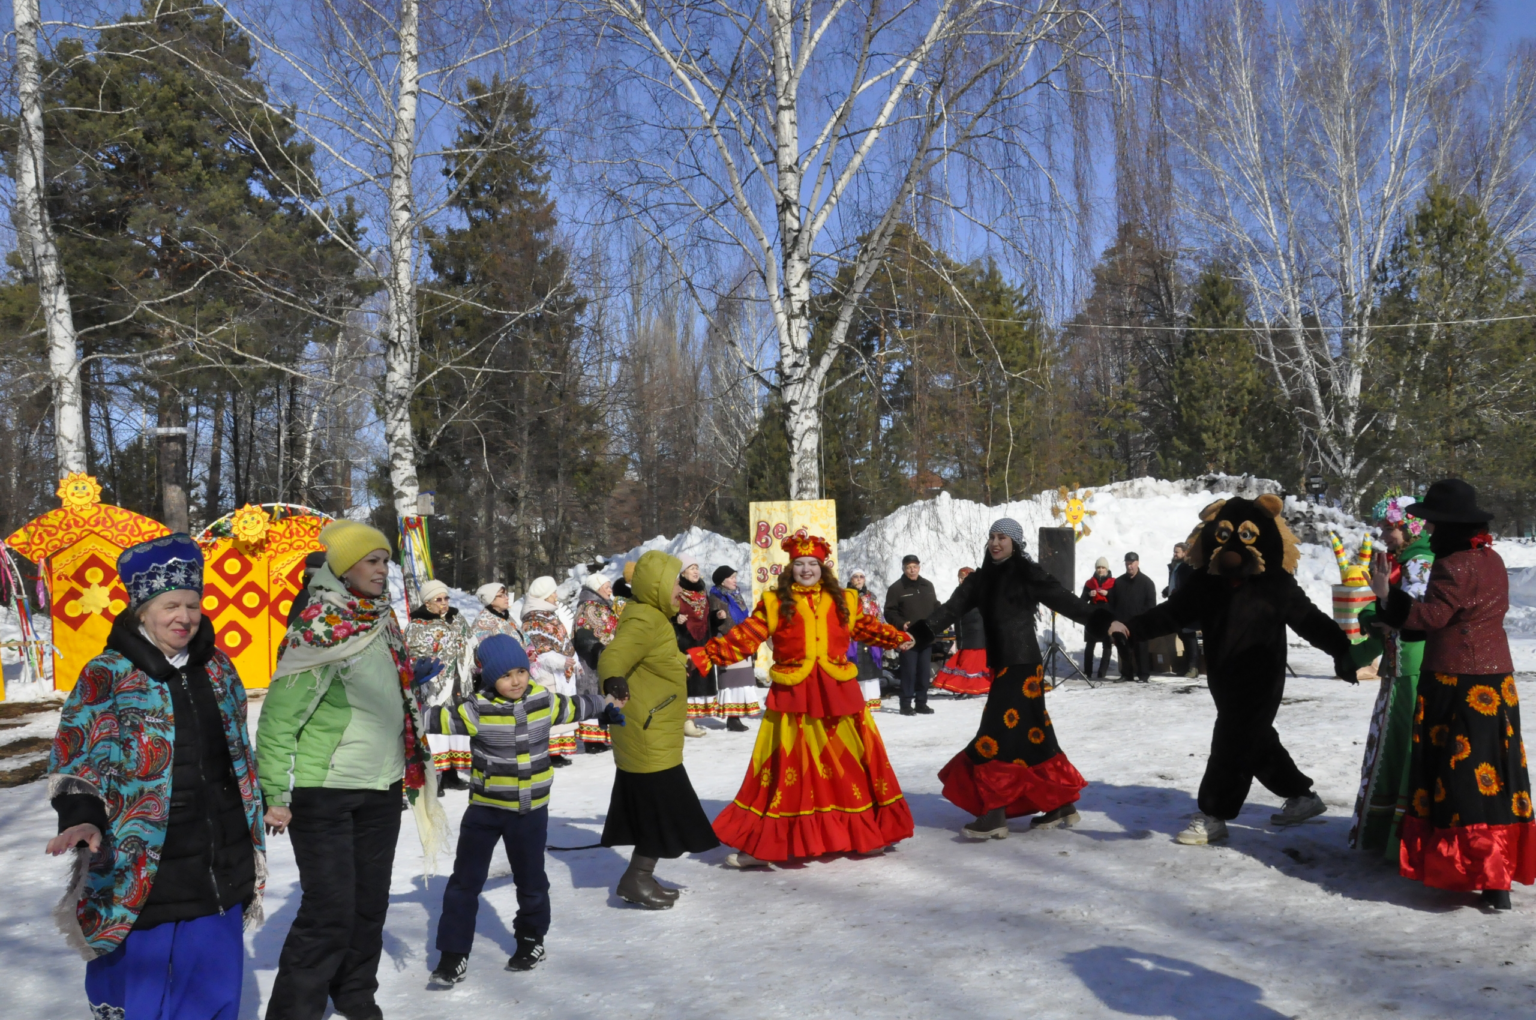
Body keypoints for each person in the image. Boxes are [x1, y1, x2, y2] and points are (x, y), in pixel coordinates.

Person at [47, 533, 266, 1020]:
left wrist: (262, 801)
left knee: (213, 989)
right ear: (142, 611)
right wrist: (81, 816)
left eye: (193, 604)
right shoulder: (107, 673)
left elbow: (238, 754)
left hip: (220, 860)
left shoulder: (219, 668)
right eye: (171, 606)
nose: (184, 617)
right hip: (143, 866)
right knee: (144, 992)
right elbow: (77, 756)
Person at [257, 520, 448, 1020]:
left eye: (386, 561)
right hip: (325, 790)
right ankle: (294, 1012)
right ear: (344, 567)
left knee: (369, 904)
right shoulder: (319, 626)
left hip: (381, 785)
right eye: (372, 561)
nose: (382, 570)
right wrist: (275, 792)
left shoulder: (381, 618)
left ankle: (356, 994)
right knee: (329, 911)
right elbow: (279, 718)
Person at [1109, 495, 1357, 847]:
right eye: (1225, 536)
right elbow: (1171, 613)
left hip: (1262, 676)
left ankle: (1215, 813)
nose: (1234, 548)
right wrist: (1131, 628)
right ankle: (1302, 796)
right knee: (1255, 740)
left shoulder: (1275, 583)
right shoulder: (1206, 582)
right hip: (1223, 678)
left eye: (1246, 536)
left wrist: (1343, 651)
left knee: (1231, 740)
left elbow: (1310, 620)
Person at [689, 533, 916, 868]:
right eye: (800, 564)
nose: (806, 569)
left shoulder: (845, 599)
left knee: (849, 762)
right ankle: (765, 844)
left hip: (838, 693)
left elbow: (866, 627)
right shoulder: (774, 602)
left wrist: (896, 638)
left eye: (812, 563)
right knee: (786, 768)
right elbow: (746, 635)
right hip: (793, 695)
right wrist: (705, 655)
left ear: (823, 567)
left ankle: (864, 834)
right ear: (790, 567)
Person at [1366, 479, 1535, 910]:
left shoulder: (1453, 565)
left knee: (1459, 778)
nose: (1428, 530)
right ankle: (1498, 876)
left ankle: (1478, 871)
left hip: (1455, 683)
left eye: (1433, 523)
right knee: (1494, 773)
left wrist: (1386, 596)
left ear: (1448, 526)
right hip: (1496, 682)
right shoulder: (1493, 559)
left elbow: (1431, 618)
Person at [428, 636, 625, 983]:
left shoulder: (542, 700)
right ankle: (453, 954)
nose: (516, 681)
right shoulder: (476, 709)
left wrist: (606, 704)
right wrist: (404, 693)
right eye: (505, 675)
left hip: (530, 811)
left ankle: (532, 939)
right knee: (464, 883)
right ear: (490, 677)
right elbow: (428, 719)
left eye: (521, 671)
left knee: (531, 881)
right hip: (485, 810)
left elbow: (577, 705)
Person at [910, 519, 1112, 840]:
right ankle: (1060, 804)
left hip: (1023, 666)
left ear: (1015, 543)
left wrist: (1103, 621)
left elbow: (1064, 599)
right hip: (1004, 664)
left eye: (1002, 537)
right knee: (1034, 736)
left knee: (995, 735)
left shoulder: (1026, 573)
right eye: (992, 536)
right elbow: (950, 609)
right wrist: (918, 633)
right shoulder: (980, 579)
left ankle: (995, 813)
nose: (995, 542)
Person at [597, 550, 721, 908]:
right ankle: (636, 878)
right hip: (647, 730)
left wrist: (683, 661)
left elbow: (655, 655)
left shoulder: (652, 616)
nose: (680, 590)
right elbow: (614, 655)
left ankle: (639, 876)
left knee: (656, 807)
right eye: (674, 584)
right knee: (662, 807)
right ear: (657, 586)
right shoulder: (645, 619)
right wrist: (613, 679)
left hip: (652, 726)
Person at [1346, 494, 1433, 858]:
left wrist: (1381, 613)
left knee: (1401, 738)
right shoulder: (1407, 559)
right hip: (1401, 660)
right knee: (1393, 738)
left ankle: (1402, 836)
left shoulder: (1420, 560)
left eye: (1388, 528)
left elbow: (1411, 613)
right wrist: (1376, 612)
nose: (1383, 535)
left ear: (1409, 527)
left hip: (1412, 663)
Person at [407, 578, 476, 786]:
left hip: (458, 682)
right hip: (434, 685)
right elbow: (412, 656)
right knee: (435, 727)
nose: (444, 603)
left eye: (446, 598)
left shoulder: (457, 619)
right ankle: (434, 777)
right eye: (439, 599)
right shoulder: (417, 625)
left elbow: (470, 642)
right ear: (427, 602)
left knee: (455, 725)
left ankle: (451, 773)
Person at [521, 576, 579, 765]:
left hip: (559, 672)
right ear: (544, 595)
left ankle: (557, 751)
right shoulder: (533, 618)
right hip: (546, 673)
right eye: (553, 592)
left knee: (559, 708)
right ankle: (549, 753)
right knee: (550, 709)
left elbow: (562, 641)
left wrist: (572, 660)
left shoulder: (547, 615)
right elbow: (540, 649)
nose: (556, 596)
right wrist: (561, 661)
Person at [884, 553, 938, 715]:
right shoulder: (896, 588)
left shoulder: (927, 586)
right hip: (907, 638)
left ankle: (921, 703)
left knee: (924, 673)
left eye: (915, 567)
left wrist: (939, 621)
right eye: (909, 567)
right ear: (903, 569)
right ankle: (906, 704)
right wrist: (901, 623)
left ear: (919, 567)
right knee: (908, 672)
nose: (912, 570)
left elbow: (935, 606)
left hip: (925, 636)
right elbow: (889, 612)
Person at [708, 565, 760, 731]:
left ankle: (737, 715)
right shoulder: (716, 596)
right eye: (731, 577)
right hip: (727, 640)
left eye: (735, 577)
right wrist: (717, 616)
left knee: (743, 679)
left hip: (741, 640)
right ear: (722, 581)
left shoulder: (736, 595)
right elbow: (711, 618)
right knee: (730, 681)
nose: (734, 580)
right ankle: (732, 718)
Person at [573, 573, 620, 753]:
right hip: (591, 662)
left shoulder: (604, 606)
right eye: (606, 587)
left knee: (603, 696)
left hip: (606, 659)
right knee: (592, 695)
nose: (610, 590)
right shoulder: (587, 607)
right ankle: (591, 741)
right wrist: (597, 648)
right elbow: (583, 635)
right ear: (596, 588)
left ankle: (601, 737)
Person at [932, 567, 992, 697]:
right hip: (963, 632)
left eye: (964, 578)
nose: (961, 580)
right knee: (965, 662)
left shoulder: (979, 591)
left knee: (969, 663)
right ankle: (965, 688)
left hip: (976, 632)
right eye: (959, 578)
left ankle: (968, 688)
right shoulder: (959, 591)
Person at [674, 557, 716, 735]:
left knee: (700, 679)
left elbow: (707, 616)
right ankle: (685, 722)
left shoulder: (702, 590)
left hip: (702, 641)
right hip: (684, 641)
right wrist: (676, 619)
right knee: (687, 681)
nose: (695, 571)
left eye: (697, 568)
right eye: (691, 568)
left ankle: (692, 720)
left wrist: (716, 616)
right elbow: (666, 612)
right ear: (683, 572)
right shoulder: (676, 590)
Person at [1109, 552, 1156, 681]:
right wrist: (1115, 619)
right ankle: (1126, 674)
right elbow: (1112, 602)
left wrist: (1142, 617)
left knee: (1141, 649)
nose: (1129, 566)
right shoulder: (1119, 581)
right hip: (1122, 623)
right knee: (1123, 648)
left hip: (1139, 622)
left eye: (1132, 563)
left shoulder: (1146, 582)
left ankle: (1143, 675)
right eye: (1127, 563)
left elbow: (1151, 604)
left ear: (1137, 563)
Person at [847, 569, 887, 710]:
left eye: (861, 576)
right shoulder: (844, 596)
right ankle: (857, 702)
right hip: (853, 639)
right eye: (855, 577)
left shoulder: (871, 597)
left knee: (871, 669)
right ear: (850, 579)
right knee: (855, 667)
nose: (859, 579)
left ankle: (872, 701)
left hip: (870, 637)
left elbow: (879, 615)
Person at [1164, 543, 1201, 679]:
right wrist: (1167, 590)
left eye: (1177, 552)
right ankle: (1186, 665)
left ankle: (1193, 667)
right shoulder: (1175, 567)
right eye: (1174, 552)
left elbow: (1190, 586)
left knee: (1189, 635)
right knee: (1182, 635)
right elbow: (1175, 583)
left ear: (1185, 553)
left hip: (1187, 606)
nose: (1174, 554)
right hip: (1176, 605)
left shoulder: (1189, 567)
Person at [1080, 557, 1116, 679]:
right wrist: (1089, 594)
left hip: (1107, 615)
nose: (1100, 570)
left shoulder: (1113, 583)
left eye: (1103, 567)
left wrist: (1108, 594)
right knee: (1090, 644)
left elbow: (1118, 599)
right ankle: (1088, 672)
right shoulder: (1089, 583)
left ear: (1107, 569)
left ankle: (1102, 672)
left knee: (1107, 644)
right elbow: (1082, 600)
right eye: (1098, 567)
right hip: (1093, 615)